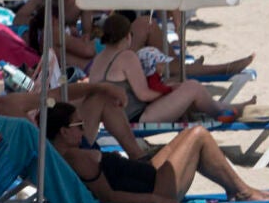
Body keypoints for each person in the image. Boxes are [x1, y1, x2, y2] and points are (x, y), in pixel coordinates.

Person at [45, 102, 269, 203]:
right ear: (63, 132)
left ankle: (236, 189)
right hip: (155, 188)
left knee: (187, 135)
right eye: (79, 125)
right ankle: (241, 191)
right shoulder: (77, 158)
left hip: (147, 174)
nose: (84, 130)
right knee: (198, 134)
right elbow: (109, 197)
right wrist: (156, 200)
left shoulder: (65, 155)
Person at [0, 69, 153, 175]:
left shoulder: (8, 104)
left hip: (61, 148)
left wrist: (100, 86)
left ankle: (139, 158)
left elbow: (56, 95)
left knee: (101, 98)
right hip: (43, 172)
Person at [85, 13, 251, 124]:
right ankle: (219, 113)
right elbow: (144, 95)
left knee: (179, 88)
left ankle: (230, 108)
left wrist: (168, 87)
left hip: (116, 118)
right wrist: (168, 89)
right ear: (128, 36)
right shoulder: (127, 57)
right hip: (136, 117)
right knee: (191, 87)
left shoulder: (98, 60)